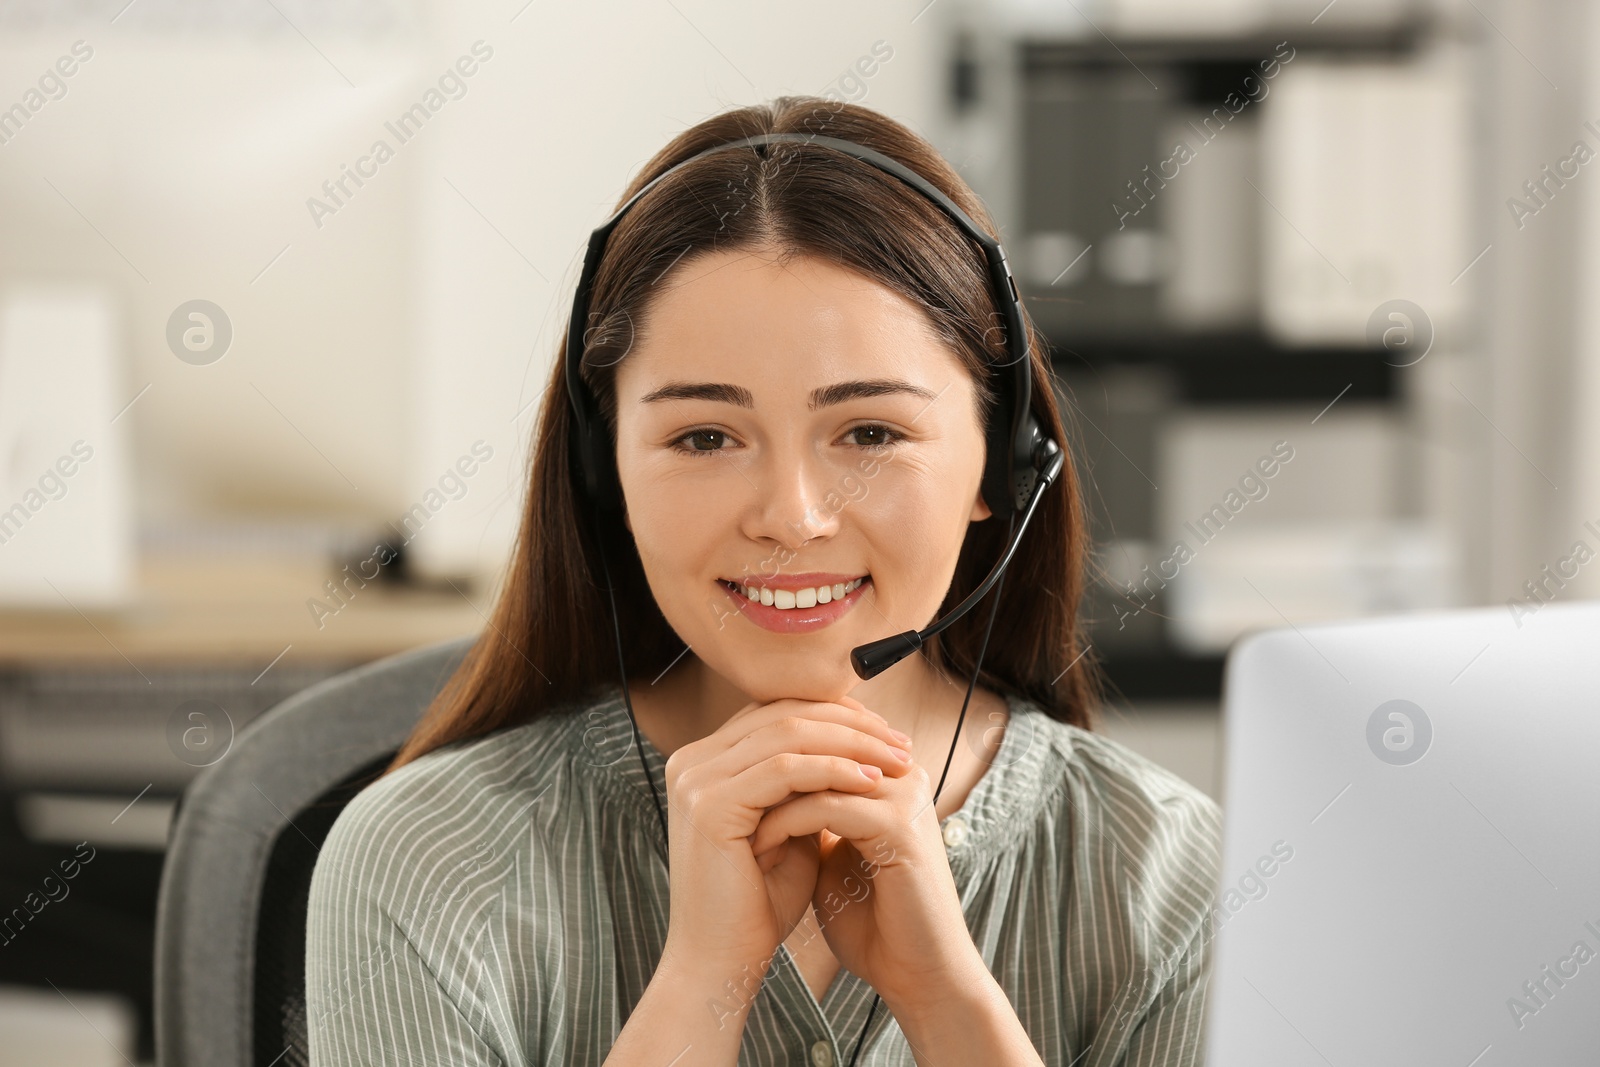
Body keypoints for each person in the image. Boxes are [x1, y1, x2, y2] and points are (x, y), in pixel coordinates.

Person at [305, 95, 1220, 1066]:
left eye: (869, 432)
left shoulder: (1163, 876)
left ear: (1000, 465)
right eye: (704, 435)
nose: (792, 515)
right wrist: (702, 985)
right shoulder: (425, 858)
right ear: (600, 466)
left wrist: (949, 1003)